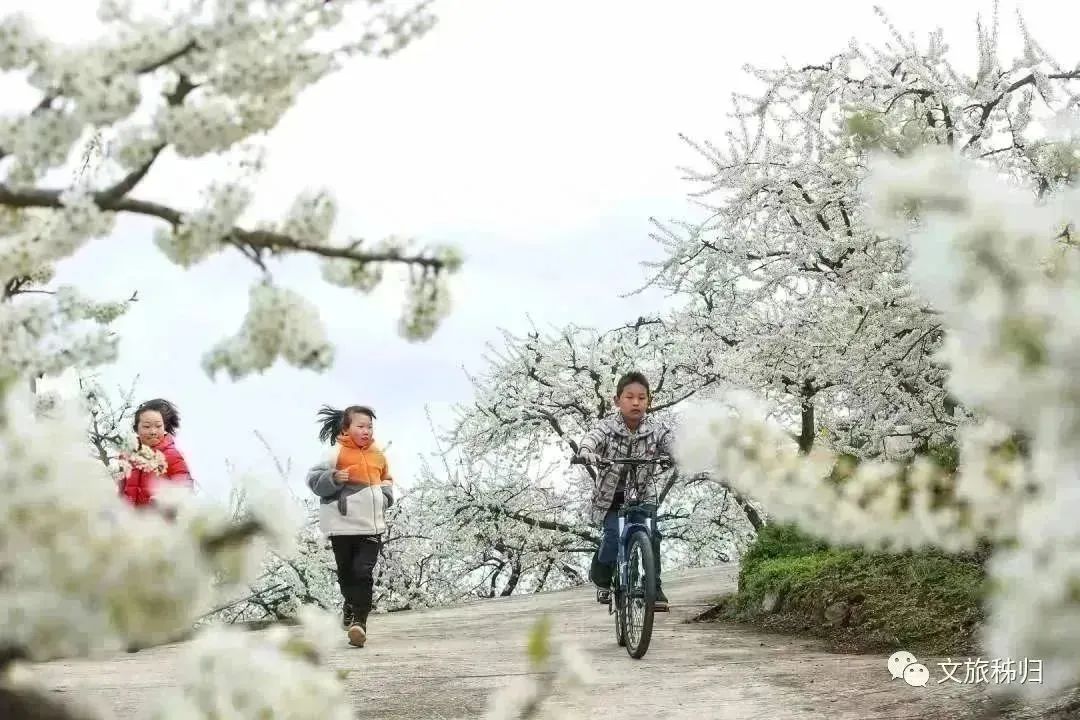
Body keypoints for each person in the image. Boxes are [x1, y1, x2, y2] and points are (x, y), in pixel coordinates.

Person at [575, 371, 674, 612]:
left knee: (652, 536)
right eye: (629, 397)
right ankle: (602, 574)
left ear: (649, 401)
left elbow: (671, 440)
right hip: (612, 496)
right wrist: (587, 451)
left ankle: (654, 586)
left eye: (642, 397)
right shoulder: (607, 427)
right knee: (611, 537)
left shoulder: (655, 428)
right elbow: (592, 438)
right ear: (617, 400)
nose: (636, 402)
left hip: (642, 493)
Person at [306, 404, 395, 648]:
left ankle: (359, 623)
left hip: (371, 526)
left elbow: (386, 478)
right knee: (346, 572)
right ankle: (350, 604)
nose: (366, 431)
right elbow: (312, 480)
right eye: (360, 426)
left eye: (369, 427)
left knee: (363, 572)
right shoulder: (333, 454)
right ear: (346, 428)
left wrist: (386, 496)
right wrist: (333, 478)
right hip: (342, 525)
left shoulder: (378, 455)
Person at [119, 398, 193, 512]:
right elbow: (120, 491)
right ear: (136, 429)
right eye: (147, 426)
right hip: (130, 524)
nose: (153, 431)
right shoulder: (127, 456)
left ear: (164, 427)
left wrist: (165, 501)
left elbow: (185, 488)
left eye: (158, 426)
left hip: (160, 524)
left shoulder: (172, 456)